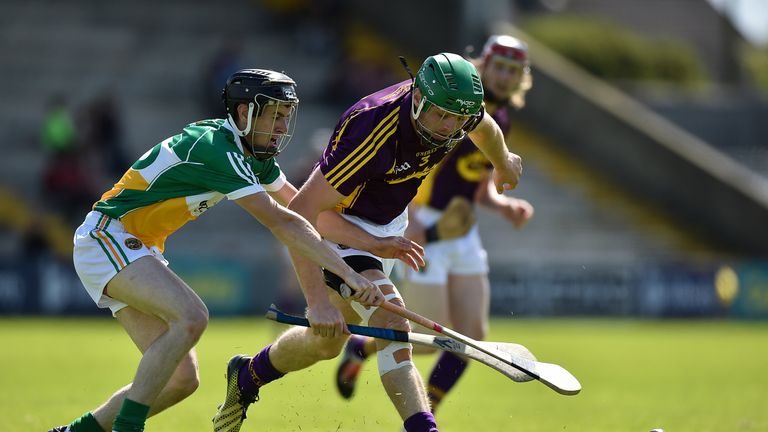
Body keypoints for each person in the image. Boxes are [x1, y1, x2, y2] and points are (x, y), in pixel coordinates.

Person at [48, 68, 419, 432]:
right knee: (192, 317)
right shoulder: (218, 149)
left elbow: (303, 210)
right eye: (274, 117)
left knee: (180, 380)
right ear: (245, 113)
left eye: (286, 118)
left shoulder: (253, 156)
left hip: (136, 248)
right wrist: (348, 274)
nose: (281, 128)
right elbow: (285, 223)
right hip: (107, 237)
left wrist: (373, 244)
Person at [212, 52, 523, 432]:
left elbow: (484, 127)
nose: (447, 127)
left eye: (457, 119)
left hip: (387, 221)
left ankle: (246, 376)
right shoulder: (371, 131)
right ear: (419, 97)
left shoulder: (457, 111)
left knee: (326, 344)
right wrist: (317, 300)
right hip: (339, 222)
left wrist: (504, 161)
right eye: (440, 115)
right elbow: (303, 213)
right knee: (393, 321)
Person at [334, 35, 536, 414]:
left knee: (473, 338)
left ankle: (428, 415)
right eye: (500, 68)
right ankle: (361, 346)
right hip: (425, 227)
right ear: (483, 65)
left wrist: (504, 205)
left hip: (463, 231)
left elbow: (477, 187)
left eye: (515, 71)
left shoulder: (499, 121)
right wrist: (416, 226)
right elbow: (412, 175)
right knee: (427, 339)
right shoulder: (447, 109)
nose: (506, 78)